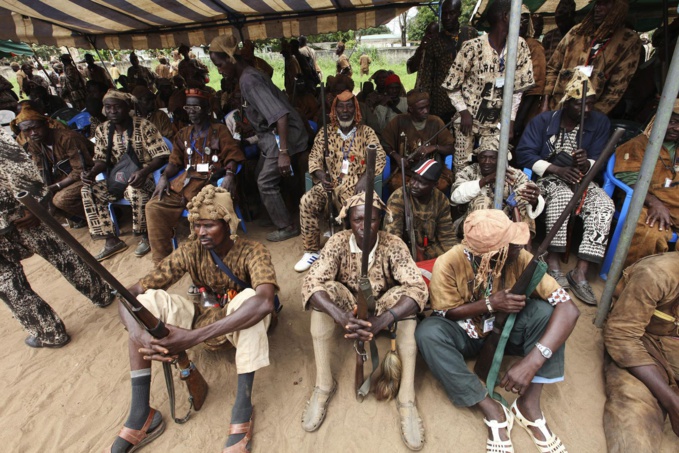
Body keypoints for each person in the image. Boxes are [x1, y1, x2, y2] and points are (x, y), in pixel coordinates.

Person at [107, 185, 277, 453]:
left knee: (249, 303)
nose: (200, 233)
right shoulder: (191, 249)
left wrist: (192, 338)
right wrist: (137, 334)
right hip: (203, 316)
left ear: (228, 222)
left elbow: (266, 302)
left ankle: (242, 408)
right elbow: (131, 293)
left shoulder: (254, 251)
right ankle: (141, 412)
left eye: (209, 225)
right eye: (197, 226)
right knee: (145, 304)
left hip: (236, 322)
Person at [416, 209, 578, 453]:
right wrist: (490, 304)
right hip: (465, 333)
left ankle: (528, 406)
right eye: (510, 245)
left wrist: (532, 361)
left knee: (545, 313)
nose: (519, 246)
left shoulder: (521, 258)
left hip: (509, 332)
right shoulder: (449, 262)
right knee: (428, 332)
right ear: (491, 254)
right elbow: (445, 313)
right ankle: (489, 406)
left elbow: (568, 308)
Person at [301, 191, 429, 451]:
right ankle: (323, 384)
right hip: (348, 306)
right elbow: (310, 282)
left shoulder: (393, 244)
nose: (364, 226)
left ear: (380, 220)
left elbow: (418, 288)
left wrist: (383, 320)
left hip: (383, 307)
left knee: (407, 304)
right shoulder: (337, 242)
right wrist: (340, 316)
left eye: (371, 220)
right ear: (349, 220)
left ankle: (406, 399)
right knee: (322, 295)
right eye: (358, 220)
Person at [0, 129, 112, 348]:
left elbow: (13, 161)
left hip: (17, 212)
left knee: (10, 281)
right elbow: (14, 161)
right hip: (17, 211)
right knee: (57, 256)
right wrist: (34, 202)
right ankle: (100, 294)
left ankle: (49, 332)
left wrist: (33, 204)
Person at [516, 71, 614, 306]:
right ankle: (554, 262)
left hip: (583, 180)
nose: (586, 110)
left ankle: (580, 271)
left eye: (590, 104)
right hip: (550, 180)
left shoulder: (600, 123)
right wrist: (556, 170)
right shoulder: (544, 121)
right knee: (561, 197)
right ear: (567, 102)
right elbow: (524, 153)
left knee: (604, 205)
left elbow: (601, 156)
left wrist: (586, 163)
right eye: (580, 104)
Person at [210, 35, 308, 243]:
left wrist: (283, 152)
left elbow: (280, 115)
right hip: (269, 138)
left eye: (219, 64)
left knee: (265, 181)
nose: (219, 70)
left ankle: (287, 225)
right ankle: (278, 213)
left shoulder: (249, 80)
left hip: (280, 138)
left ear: (230, 59)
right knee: (258, 173)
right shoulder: (246, 77)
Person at [146, 88, 244, 266]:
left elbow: (233, 156)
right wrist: (163, 177)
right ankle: (161, 263)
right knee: (154, 207)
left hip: (210, 182)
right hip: (184, 183)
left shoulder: (219, 130)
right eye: (188, 108)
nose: (191, 112)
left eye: (196, 108)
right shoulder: (183, 134)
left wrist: (230, 174)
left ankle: (208, 263)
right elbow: (174, 162)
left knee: (205, 211)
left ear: (206, 109)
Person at [294, 90, 385, 272]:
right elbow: (314, 158)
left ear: (356, 109)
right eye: (341, 107)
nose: (345, 110)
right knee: (307, 201)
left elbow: (379, 158)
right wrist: (321, 176)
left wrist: (364, 179)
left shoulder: (366, 132)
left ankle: (351, 252)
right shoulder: (325, 133)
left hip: (356, 184)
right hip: (331, 183)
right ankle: (311, 250)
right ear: (334, 110)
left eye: (349, 106)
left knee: (353, 206)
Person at [442, 0, 534, 170]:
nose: (521, 20)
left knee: (496, 167)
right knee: (463, 166)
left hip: (497, 123)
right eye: (517, 15)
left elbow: (517, 91)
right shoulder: (472, 47)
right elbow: (451, 85)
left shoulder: (520, 46)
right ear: (506, 16)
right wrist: (463, 111)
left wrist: (510, 123)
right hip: (467, 121)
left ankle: (490, 197)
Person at [80, 90, 170, 261]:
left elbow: (161, 155)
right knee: (88, 190)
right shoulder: (102, 130)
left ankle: (146, 235)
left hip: (144, 175)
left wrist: (143, 171)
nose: (112, 111)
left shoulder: (144, 126)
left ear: (127, 107)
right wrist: (92, 172)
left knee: (134, 188)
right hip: (116, 177)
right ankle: (111, 240)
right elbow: (100, 159)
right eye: (108, 107)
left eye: (117, 107)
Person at [603, 251, 679, 452]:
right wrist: (671, 402)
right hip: (642, 345)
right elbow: (621, 336)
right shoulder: (655, 274)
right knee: (636, 411)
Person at [541, 0, 641, 115]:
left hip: (592, 110)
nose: (598, 8)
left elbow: (618, 85)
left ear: (618, 8)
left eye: (604, 3)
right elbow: (553, 68)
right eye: (597, 4)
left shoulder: (628, 40)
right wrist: (545, 103)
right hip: (560, 105)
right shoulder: (577, 32)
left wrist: (595, 113)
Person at [613, 99, 679, 268]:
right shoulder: (638, 144)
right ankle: (630, 280)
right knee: (650, 234)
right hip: (647, 203)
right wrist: (655, 203)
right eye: (672, 122)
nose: (677, 128)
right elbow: (629, 181)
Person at [452, 138, 543, 237]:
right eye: (483, 157)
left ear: (500, 159)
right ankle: (481, 249)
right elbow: (455, 197)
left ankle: (524, 248)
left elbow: (529, 190)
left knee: (523, 201)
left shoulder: (513, 174)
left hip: (505, 223)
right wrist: (484, 181)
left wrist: (534, 201)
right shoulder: (469, 171)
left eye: (492, 158)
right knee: (483, 201)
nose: (487, 161)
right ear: (478, 158)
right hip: (471, 225)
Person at [16, 105, 93, 221]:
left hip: (90, 174)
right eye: (26, 131)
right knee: (43, 200)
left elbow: (81, 169)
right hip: (67, 176)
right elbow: (40, 168)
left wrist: (57, 186)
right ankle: (83, 219)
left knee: (60, 199)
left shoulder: (67, 138)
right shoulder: (35, 144)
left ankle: (102, 215)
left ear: (46, 124)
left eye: (35, 128)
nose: (33, 133)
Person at [414, 0, 478, 124]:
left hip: (468, 100)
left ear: (459, 13)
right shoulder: (435, 42)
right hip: (442, 103)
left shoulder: (471, 35)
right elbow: (426, 77)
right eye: (444, 14)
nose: (447, 17)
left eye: (452, 13)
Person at [381, 90, 455, 192]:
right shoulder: (398, 121)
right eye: (421, 108)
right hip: (406, 171)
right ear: (410, 109)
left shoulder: (436, 122)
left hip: (431, 172)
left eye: (427, 107)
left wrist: (434, 147)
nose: (426, 111)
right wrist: (396, 156)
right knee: (396, 184)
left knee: (442, 185)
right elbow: (384, 143)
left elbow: (450, 148)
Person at [384, 159, 456, 261]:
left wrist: (453, 257)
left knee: (456, 254)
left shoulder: (441, 200)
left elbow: (447, 236)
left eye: (421, 182)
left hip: (431, 250)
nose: (414, 184)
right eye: (414, 178)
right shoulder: (398, 197)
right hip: (404, 250)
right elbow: (392, 237)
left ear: (434, 185)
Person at [515, 4, 547, 139]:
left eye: (525, 20)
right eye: (518, 18)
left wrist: (517, 121)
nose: (522, 23)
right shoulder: (504, 44)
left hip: (523, 108)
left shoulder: (533, 46)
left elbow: (535, 86)